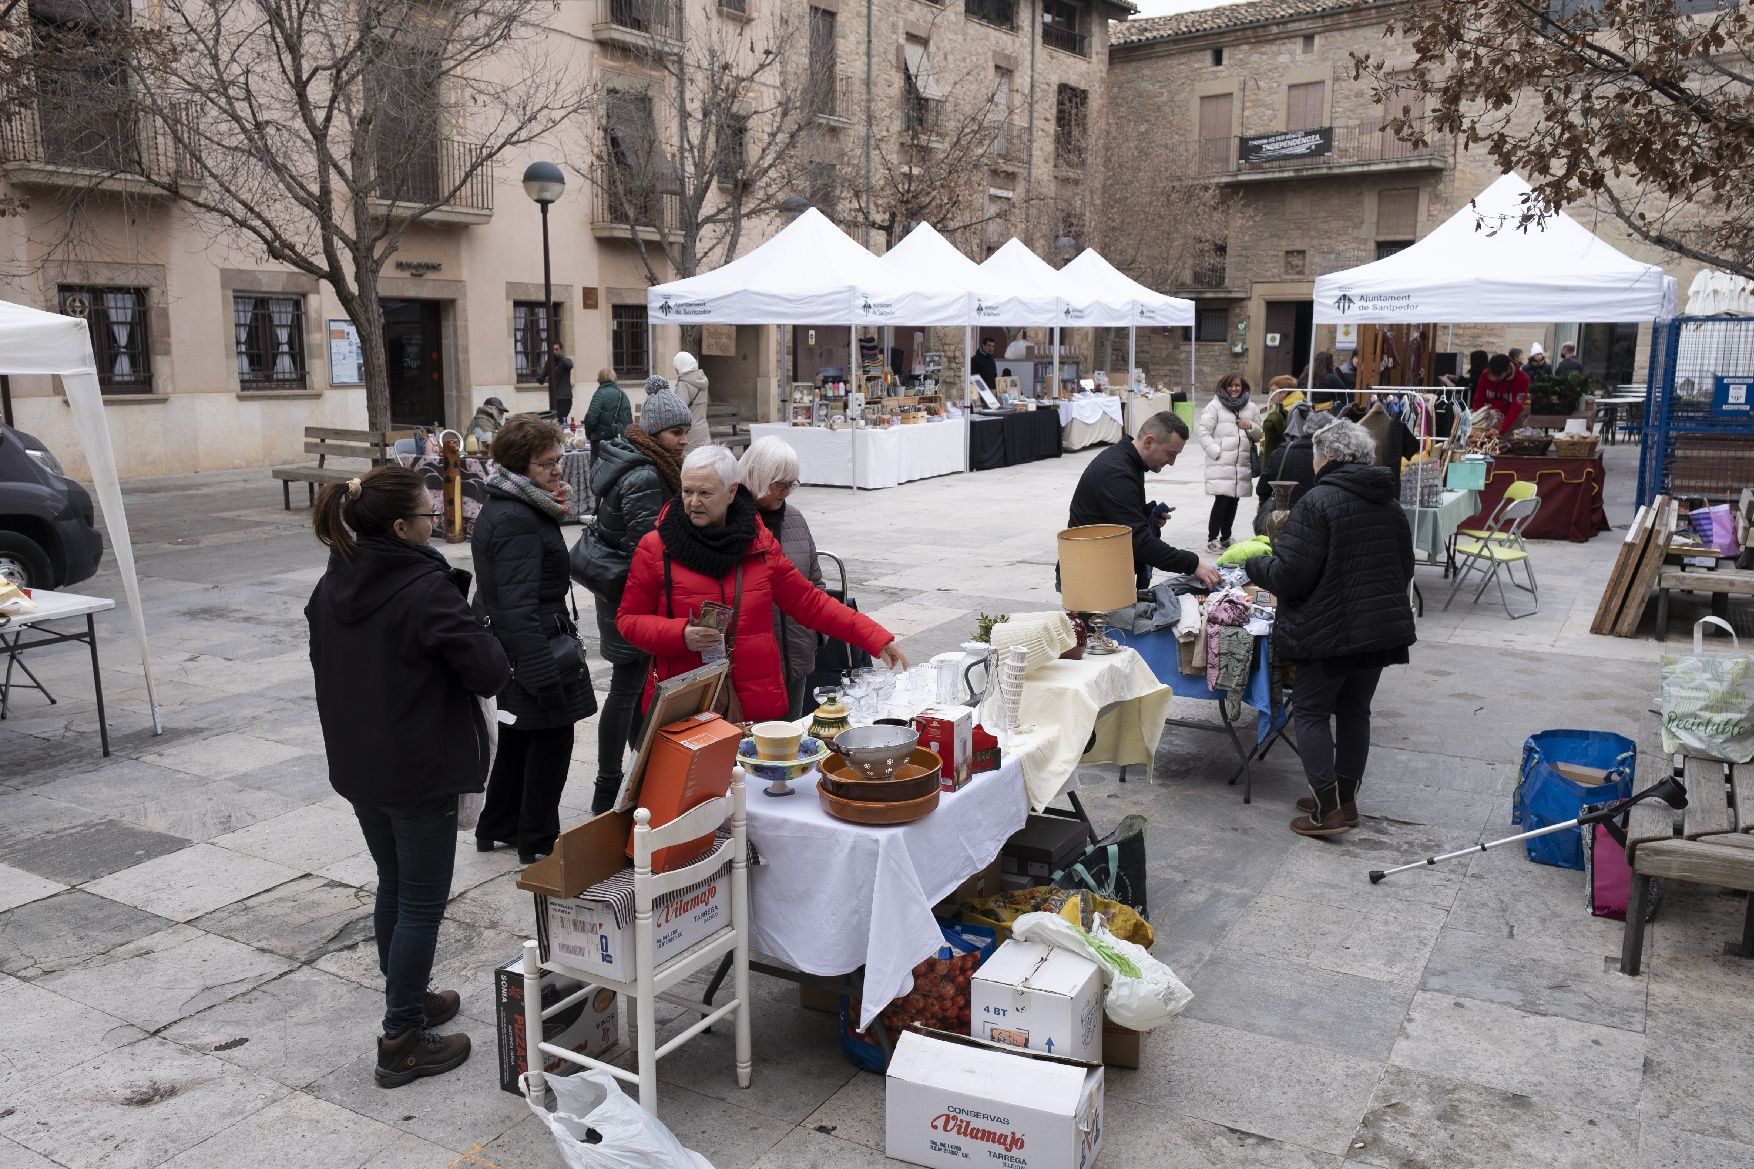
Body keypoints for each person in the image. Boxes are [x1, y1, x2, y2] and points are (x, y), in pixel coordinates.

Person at [305, 466, 509, 1087]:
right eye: (429, 515)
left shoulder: (332, 583)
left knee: (393, 883)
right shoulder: (425, 590)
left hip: (363, 764)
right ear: (401, 527)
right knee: (420, 900)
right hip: (419, 768)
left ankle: (409, 999)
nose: (438, 522)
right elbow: (490, 672)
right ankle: (402, 1040)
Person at [618, 445, 908, 722]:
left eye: (705, 493)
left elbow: (809, 602)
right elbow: (628, 621)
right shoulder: (656, 547)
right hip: (686, 702)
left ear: (731, 492)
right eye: (687, 491)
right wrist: (680, 634)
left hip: (754, 703)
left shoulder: (759, 544)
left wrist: (875, 637)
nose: (694, 502)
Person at [1243, 420, 1415, 837]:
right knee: (1355, 711)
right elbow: (1405, 567)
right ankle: (1345, 799)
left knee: (1311, 711)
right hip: (1376, 630)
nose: (1314, 462)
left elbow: (1291, 577)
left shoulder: (1318, 501)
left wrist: (1253, 564)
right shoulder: (1388, 503)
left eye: (1317, 455)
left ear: (1329, 458)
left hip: (1329, 630)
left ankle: (1327, 809)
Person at [471, 415, 597, 863]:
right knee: (550, 739)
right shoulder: (516, 520)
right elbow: (514, 606)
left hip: (528, 642)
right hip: (534, 645)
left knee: (522, 736)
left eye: (559, 460)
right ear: (520, 467)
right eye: (547, 464)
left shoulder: (517, 504)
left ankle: (499, 824)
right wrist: (541, 674)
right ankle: (538, 839)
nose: (558, 470)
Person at [583, 388, 692, 813]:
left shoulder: (639, 462)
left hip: (621, 595)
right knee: (626, 689)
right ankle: (609, 787)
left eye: (685, 431)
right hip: (632, 598)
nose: (684, 440)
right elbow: (650, 547)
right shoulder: (646, 474)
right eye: (676, 432)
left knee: (630, 687)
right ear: (654, 433)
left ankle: (634, 770)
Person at [1066, 411, 1221, 590]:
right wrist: (1193, 564)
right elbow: (1138, 541)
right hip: (1089, 577)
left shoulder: (1130, 461)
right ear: (1149, 442)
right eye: (1170, 454)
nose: (1172, 462)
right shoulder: (1116, 473)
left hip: (1101, 569)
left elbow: (1116, 518)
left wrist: (1146, 516)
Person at [739, 436, 825, 719]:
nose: (787, 491)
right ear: (757, 475)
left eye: (792, 484)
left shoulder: (795, 519)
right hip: (752, 668)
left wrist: (816, 634)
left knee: (792, 737)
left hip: (797, 656)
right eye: (780, 483)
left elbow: (815, 582)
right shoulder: (733, 523)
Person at [1197, 373, 1261, 551]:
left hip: (1241, 463)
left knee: (1233, 501)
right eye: (1231, 386)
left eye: (1237, 386)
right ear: (1224, 387)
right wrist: (1217, 452)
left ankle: (1226, 537)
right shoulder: (1215, 406)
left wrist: (1250, 426)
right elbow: (1203, 432)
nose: (1234, 389)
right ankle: (1212, 538)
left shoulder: (1251, 407)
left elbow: (1260, 434)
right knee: (1222, 501)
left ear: (1243, 387)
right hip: (1221, 462)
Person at [1253, 407, 1335, 534]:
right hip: (1316, 524)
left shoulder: (1282, 452)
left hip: (1281, 522)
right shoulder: (1331, 458)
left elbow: (1262, 489)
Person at [1472, 353, 1531, 431]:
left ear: (1507, 370)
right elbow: (1478, 399)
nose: (1494, 381)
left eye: (1497, 379)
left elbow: (1516, 407)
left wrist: (1501, 430)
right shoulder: (1485, 374)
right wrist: (1478, 419)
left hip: (1511, 420)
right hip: (1488, 417)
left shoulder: (1522, 380)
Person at [583, 367, 632, 459]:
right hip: (620, 442)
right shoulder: (622, 394)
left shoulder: (599, 394)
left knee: (599, 470)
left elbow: (591, 418)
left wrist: (589, 435)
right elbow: (628, 420)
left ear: (599, 379)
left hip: (601, 442)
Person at [673, 352, 711, 451]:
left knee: (689, 463)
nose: (675, 370)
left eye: (676, 367)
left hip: (689, 434)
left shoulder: (683, 384)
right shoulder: (702, 381)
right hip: (703, 430)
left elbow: (679, 412)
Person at [1259, 376, 1298, 467]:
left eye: (1273, 391)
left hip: (1280, 458)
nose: (1269, 394)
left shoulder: (1289, 411)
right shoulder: (1278, 407)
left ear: (1284, 392)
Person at [539, 342, 575, 423]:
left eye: (556, 349)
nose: (554, 351)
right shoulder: (549, 363)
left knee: (562, 420)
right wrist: (545, 378)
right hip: (554, 398)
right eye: (552, 350)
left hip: (565, 398)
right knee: (555, 421)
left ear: (560, 350)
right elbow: (540, 379)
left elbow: (570, 365)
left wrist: (559, 356)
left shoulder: (565, 360)